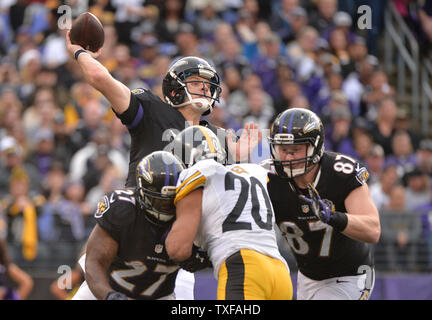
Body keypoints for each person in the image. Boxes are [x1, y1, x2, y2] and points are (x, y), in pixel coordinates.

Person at [65, 32, 261, 298]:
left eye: (207, 84)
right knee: (98, 281)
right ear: (174, 88)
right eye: (195, 82)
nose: (204, 88)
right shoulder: (152, 110)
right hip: (135, 223)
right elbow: (101, 79)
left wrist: (240, 158)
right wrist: (80, 52)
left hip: (181, 237)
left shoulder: (216, 137)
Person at [165, 126, 293, 300]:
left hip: (244, 268)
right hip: (280, 273)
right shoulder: (254, 170)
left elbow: (178, 249)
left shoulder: (196, 172)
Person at [266, 108, 380, 300]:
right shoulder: (269, 178)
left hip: (352, 274)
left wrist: (335, 217)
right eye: (283, 150)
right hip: (307, 276)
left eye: (295, 150)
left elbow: (373, 230)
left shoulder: (341, 173)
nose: (288, 157)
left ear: (316, 147)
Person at [71, 151, 210, 300]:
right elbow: (94, 262)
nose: (167, 206)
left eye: (172, 200)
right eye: (161, 201)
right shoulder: (123, 210)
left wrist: (202, 257)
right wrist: (109, 296)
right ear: (143, 192)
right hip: (108, 289)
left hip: (160, 296)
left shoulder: (190, 215)